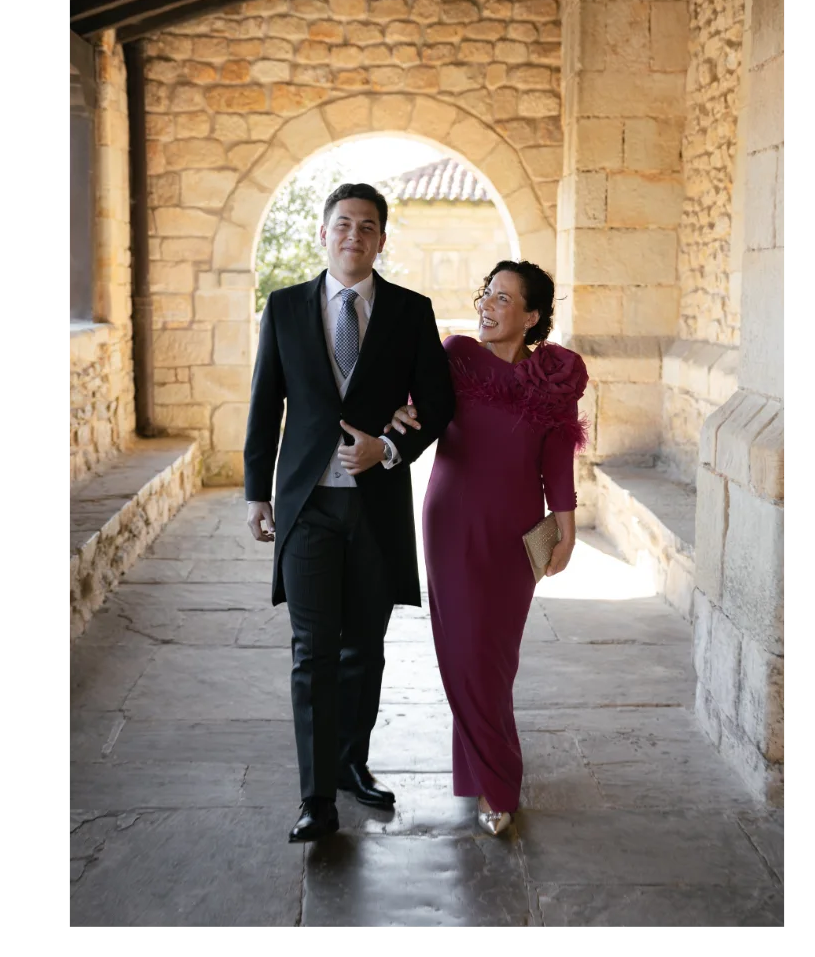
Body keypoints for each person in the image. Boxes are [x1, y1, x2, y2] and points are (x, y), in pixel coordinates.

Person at [243, 182, 456, 843]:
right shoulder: (281, 309)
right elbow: (264, 404)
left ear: (382, 238)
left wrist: (389, 448)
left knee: (364, 648)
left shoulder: (411, 311)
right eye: (342, 224)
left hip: (375, 510)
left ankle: (352, 766)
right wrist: (257, 491)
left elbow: (440, 404)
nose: (353, 236)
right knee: (312, 651)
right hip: (307, 507)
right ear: (322, 234)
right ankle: (316, 798)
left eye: (367, 226)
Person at [384, 260, 589, 836]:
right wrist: (396, 410)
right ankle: (499, 783)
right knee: (466, 651)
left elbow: (557, 458)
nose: (487, 306)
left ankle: (474, 769)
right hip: (452, 522)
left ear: (531, 316)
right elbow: (409, 402)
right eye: (486, 294)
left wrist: (565, 524)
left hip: (516, 531)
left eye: (503, 299)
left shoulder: (557, 374)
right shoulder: (455, 357)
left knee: (494, 658)